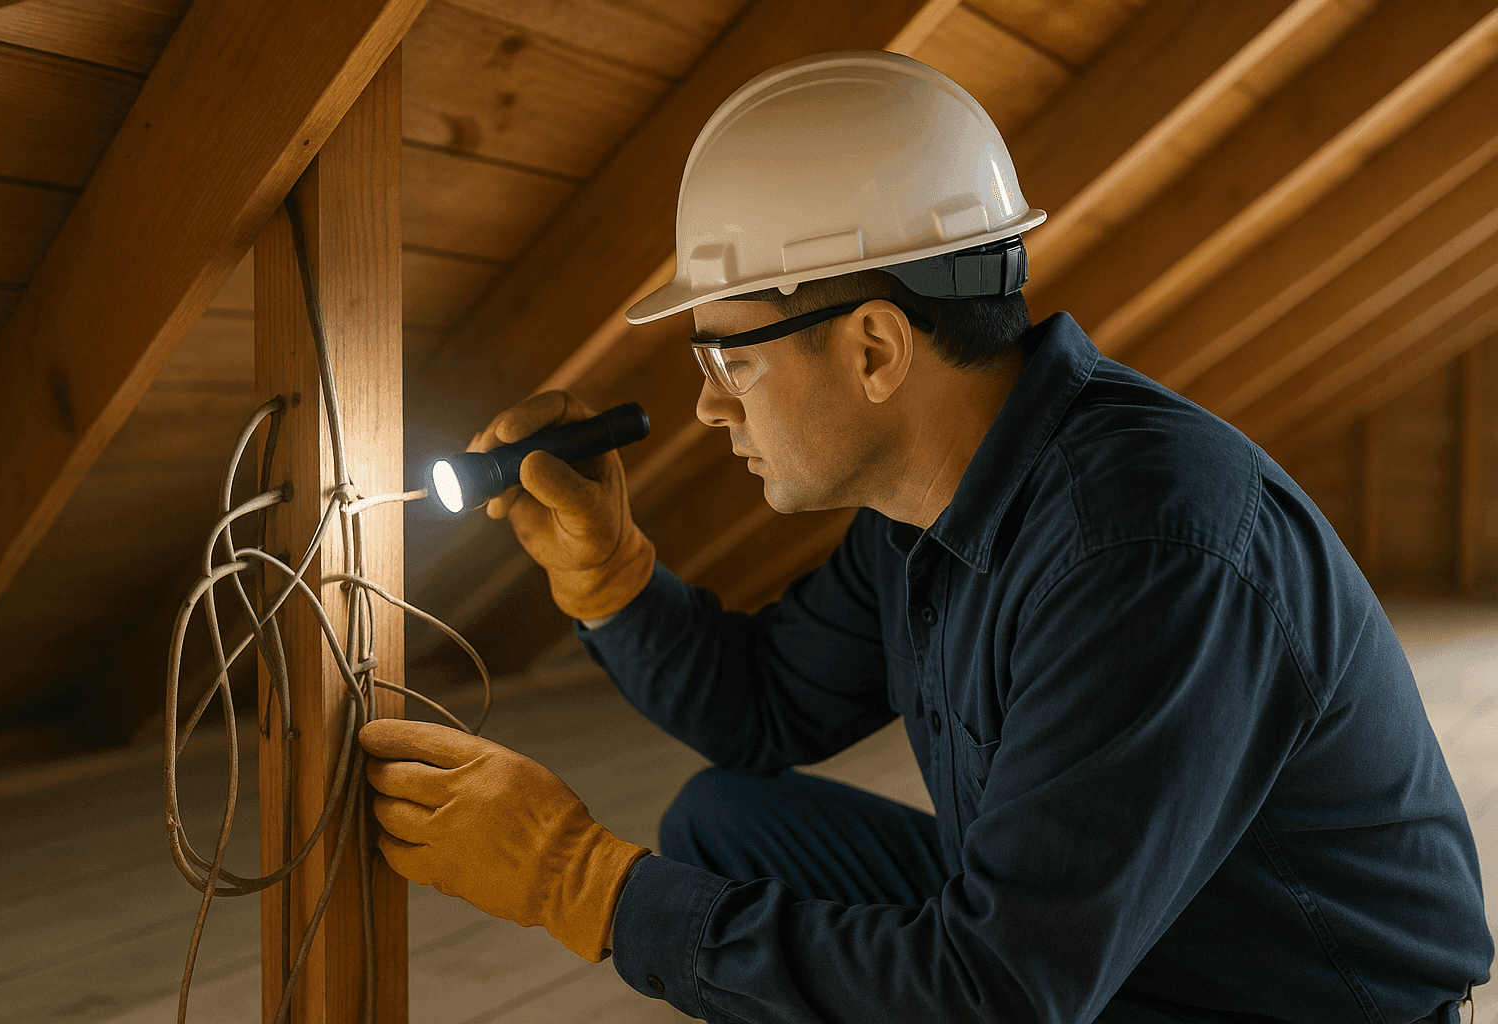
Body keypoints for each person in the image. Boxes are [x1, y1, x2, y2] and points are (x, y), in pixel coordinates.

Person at [359, 51, 1493, 1022]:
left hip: (1275, 1002)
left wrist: (584, 885)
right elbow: (762, 708)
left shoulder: (1142, 550)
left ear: (874, 347)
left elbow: (998, 993)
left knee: (722, 905)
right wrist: (611, 576)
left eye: (730, 360)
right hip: (1111, 949)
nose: (707, 408)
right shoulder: (935, 500)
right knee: (725, 824)